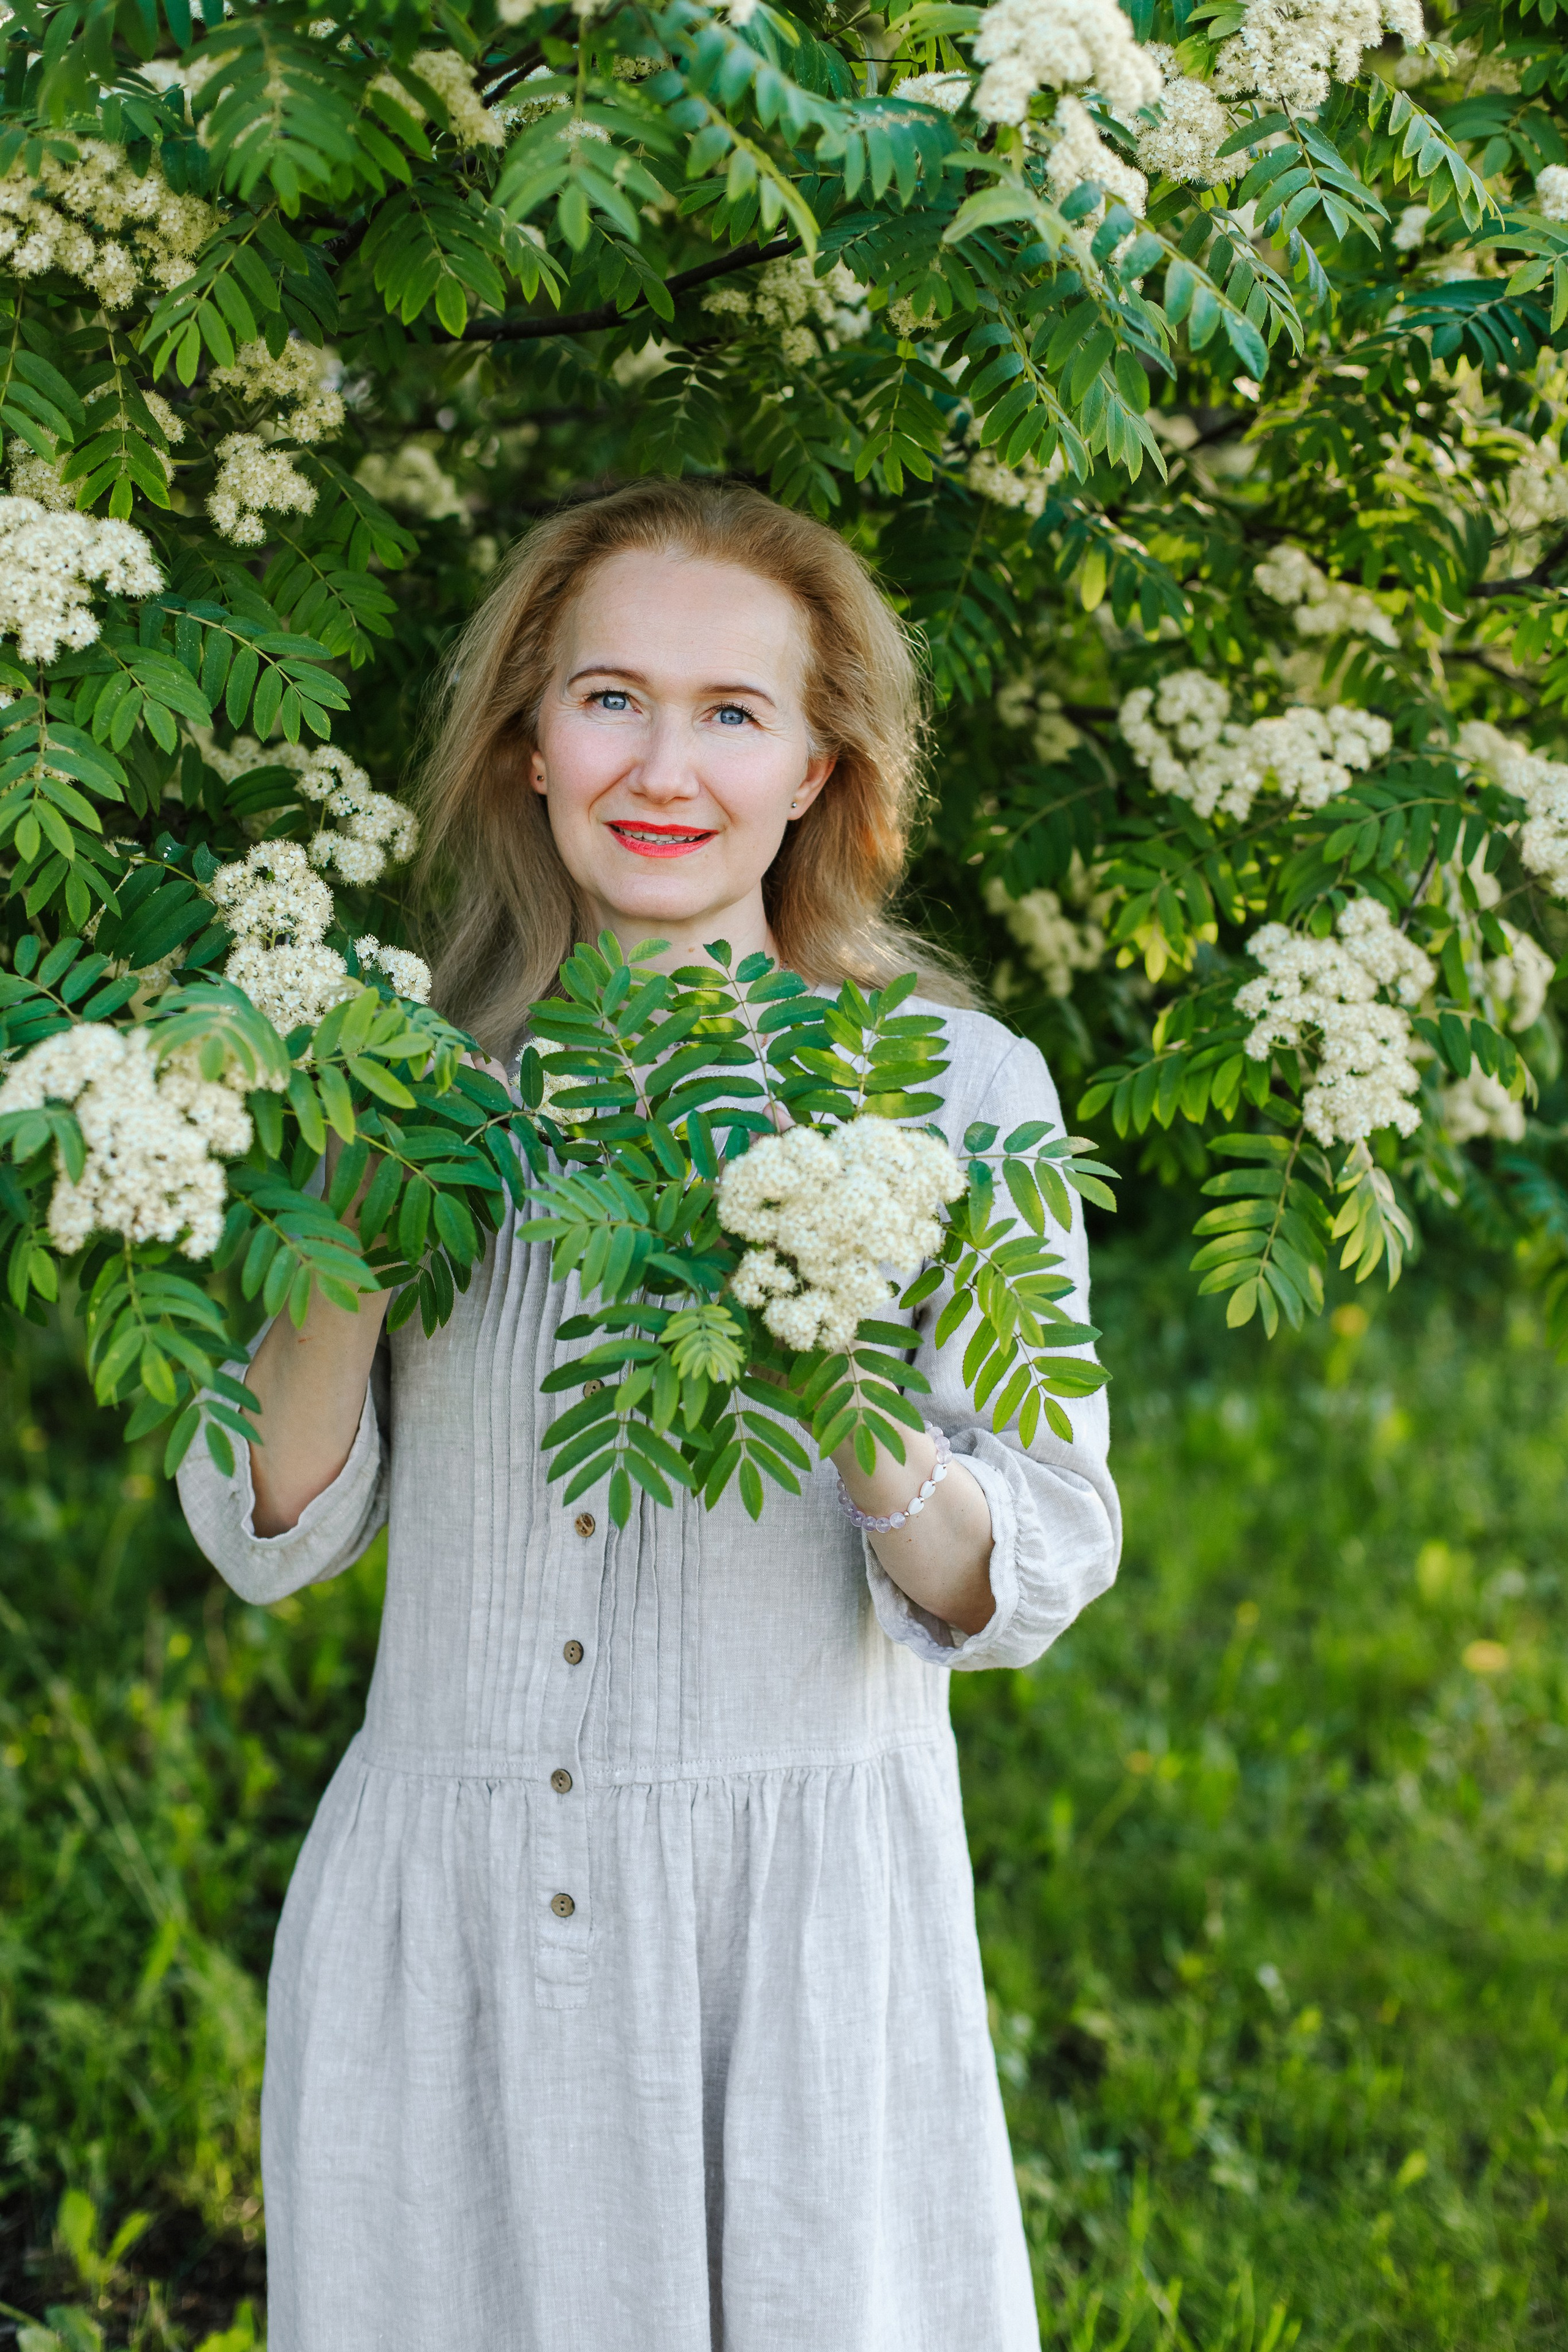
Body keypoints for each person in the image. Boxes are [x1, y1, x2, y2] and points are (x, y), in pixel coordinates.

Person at [177, 477, 1121, 2352]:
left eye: (731, 712)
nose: (661, 765)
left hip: (790, 1946)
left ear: (816, 772)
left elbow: (1036, 1566)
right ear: (528, 746)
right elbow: (263, 1528)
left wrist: (846, 1372)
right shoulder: (406, 1070)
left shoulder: (953, 1088)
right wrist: (353, 1243)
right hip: (451, 1916)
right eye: (610, 699)